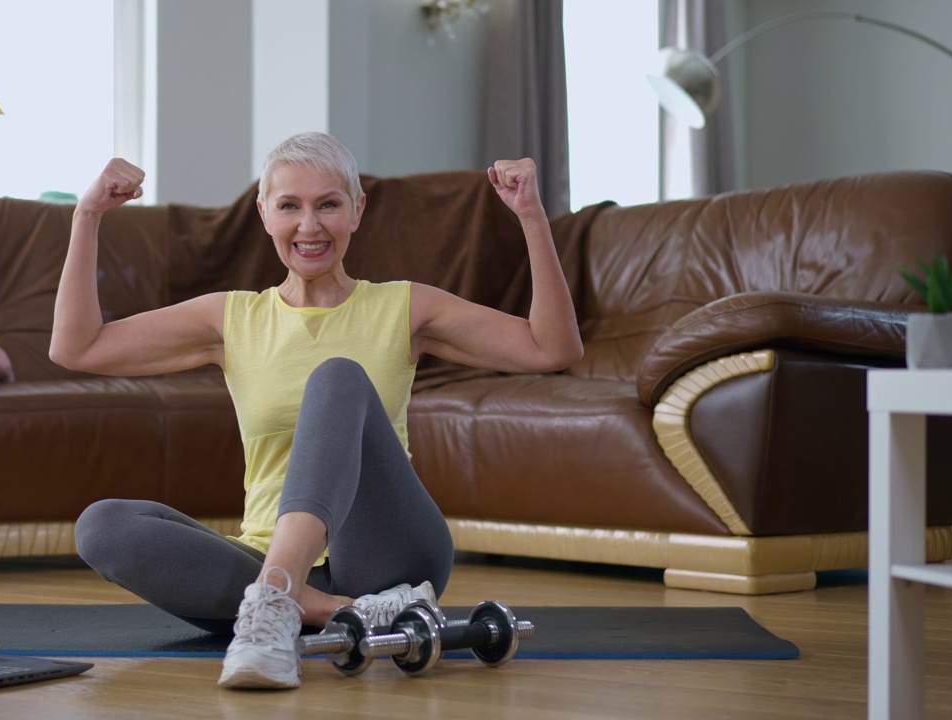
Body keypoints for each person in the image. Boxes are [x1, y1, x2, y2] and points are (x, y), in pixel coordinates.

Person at [50, 132, 583, 690]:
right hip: (259, 561)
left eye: (328, 204)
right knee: (103, 526)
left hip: (384, 557)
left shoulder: (404, 306)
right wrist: (87, 216)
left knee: (337, 377)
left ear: (357, 211)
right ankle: (319, 608)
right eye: (289, 206)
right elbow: (77, 347)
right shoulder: (229, 320)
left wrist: (531, 217)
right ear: (264, 214)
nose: (310, 225)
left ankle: (276, 602)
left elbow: (552, 349)